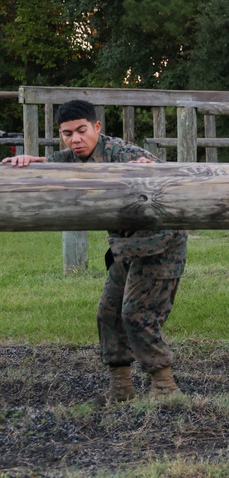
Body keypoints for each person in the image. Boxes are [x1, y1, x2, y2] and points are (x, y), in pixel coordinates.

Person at [3, 100, 187, 403]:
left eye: (81, 131)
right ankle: (121, 389)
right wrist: (28, 163)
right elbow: (50, 165)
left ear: (97, 127)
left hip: (160, 245)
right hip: (125, 247)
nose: (75, 139)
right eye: (67, 133)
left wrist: (153, 171)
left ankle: (165, 388)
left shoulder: (125, 154)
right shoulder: (71, 159)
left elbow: (167, 177)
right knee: (108, 313)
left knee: (137, 314)